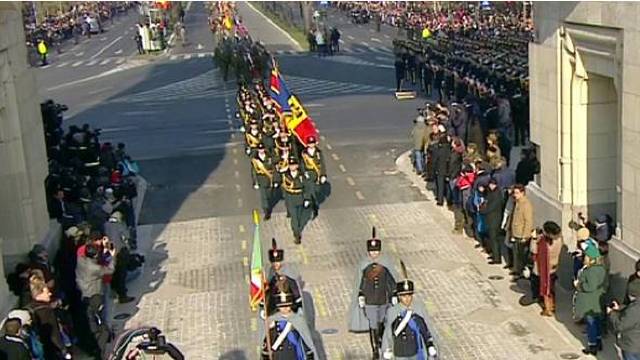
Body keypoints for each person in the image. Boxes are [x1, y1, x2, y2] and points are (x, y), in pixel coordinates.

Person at [348, 228, 399, 359]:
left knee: (382, 321)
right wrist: (360, 295)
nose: (374, 253)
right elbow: (360, 282)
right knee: (372, 323)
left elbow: (390, 280)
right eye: (371, 251)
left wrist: (394, 294)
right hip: (369, 299)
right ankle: (375, 348)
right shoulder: (364, 265)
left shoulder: (385, 263)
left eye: (376, 251)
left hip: (383, 299)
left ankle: (380, 340)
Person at [381, 264, 437, 360]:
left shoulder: (419, 307)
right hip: (400, 352)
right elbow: (388, 333)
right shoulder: (393, 311)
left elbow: (427, 327)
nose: (407, 299)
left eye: (409, 295)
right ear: (399, 296)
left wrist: (431, 345)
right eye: (403, 296)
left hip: (415, 351)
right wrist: (386, 349)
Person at [260, 289, 316, 359]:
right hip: (278, 356)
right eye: (282, 306)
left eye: (287, 305)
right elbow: (266, 343)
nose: (285, 308)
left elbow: (307, 342)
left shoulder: (298, 319)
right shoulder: (272, 319)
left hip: (294, 355)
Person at [574, 243, 607, 356]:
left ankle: (592, 345)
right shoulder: (601, 268)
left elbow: (590, 286)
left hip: (590, 301)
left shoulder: (592, 271)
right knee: (596, 321)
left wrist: (579, 285)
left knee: (591, 323)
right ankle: (598, 341)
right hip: (597, 299)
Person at [528, 221, 563, 315]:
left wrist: (534, 239)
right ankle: (553, 305)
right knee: (551, 288)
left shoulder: (544, 243)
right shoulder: (559, 240)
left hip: (543, 268)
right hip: (553, 266)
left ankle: (548, 309)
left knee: (545, 288)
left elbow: (534, 251)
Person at [276, 157, 312, 244]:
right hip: (290, 198)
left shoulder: (301, 176)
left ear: (297, 166)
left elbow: (307, 187)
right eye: (291, 165)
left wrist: (307, 198)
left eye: (294, 165)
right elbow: (277, 177)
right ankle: (297, 234)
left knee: (299, 217)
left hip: (300, 198)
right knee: (294, 218)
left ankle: (297, 229)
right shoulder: (285, 175)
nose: (292, 167)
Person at [264, 239, 303, 317]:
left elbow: (294, 287)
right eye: (274, 262)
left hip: (289, 304)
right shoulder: (271, 271)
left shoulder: (288, 271)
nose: (276, 264)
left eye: (277, 262)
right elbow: (268, 287)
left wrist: (298, 305)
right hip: (275, 306)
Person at [609, 279, 640, 360]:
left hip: (632, 346)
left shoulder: (634, 309)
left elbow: (619, 325)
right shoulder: (634, 307)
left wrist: (612, 313)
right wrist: (620, 308)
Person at [509, 184, 534, 282]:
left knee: (521, 256)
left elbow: (528, 221)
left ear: (522, 193)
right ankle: (516, 270)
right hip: (516, 233)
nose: (515, 195)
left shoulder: (526, 204)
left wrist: (525, 235)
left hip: (522, 234)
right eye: (514, 193)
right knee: (516, 253)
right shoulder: (517, 202)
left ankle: (521, 273)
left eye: (517, 193)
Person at [301, 136, 328, 219]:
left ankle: (314, 205)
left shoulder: (318, 152)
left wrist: (323, 175)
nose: (311, 145)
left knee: (316, 191)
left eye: (312, 143)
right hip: (308, 173)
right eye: (310, 143)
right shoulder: (304, 153)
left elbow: (322, 164)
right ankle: (309, 203)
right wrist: (304, 172)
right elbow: (302, 164)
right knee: (309, 190)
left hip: (317, 173)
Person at [479, 178, 504, 265]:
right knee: (491, 238)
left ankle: (497, 258)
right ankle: (494, 254)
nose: (491, 186)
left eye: (492, 185)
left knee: (494, 239)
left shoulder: (497, 195)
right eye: (490, 184)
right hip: (490, 219)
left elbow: (491, 207)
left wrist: (482, 211)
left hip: (495, 220)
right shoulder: (491, 192)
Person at [251, 143, 277, 220]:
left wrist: (275, 180)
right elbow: (253, 171)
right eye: (260, 149)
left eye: (262, 149)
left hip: (269, 178)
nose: (261, 151)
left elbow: (274, 169)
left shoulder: (269, 157)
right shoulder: (255, 159)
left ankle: (268, 206)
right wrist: (255, 182)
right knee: (263, 196)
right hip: (261, 178)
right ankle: (266, 211)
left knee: (269, 195)